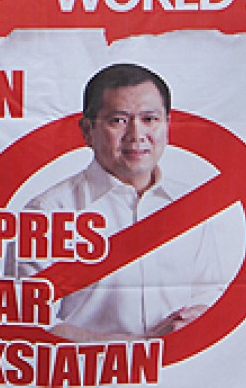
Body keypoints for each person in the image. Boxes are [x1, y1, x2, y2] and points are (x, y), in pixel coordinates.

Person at [14, 63, 225, 341]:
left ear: (167, 126)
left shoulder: (189, 204)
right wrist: (133, 348)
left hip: (180, 371)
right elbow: (26, 321)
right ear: (87, 131)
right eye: (118, 120)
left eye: (150, 119)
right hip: (87, 376)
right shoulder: (49, 211)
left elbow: (211, 292)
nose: (136, 135)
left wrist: (196, 318)